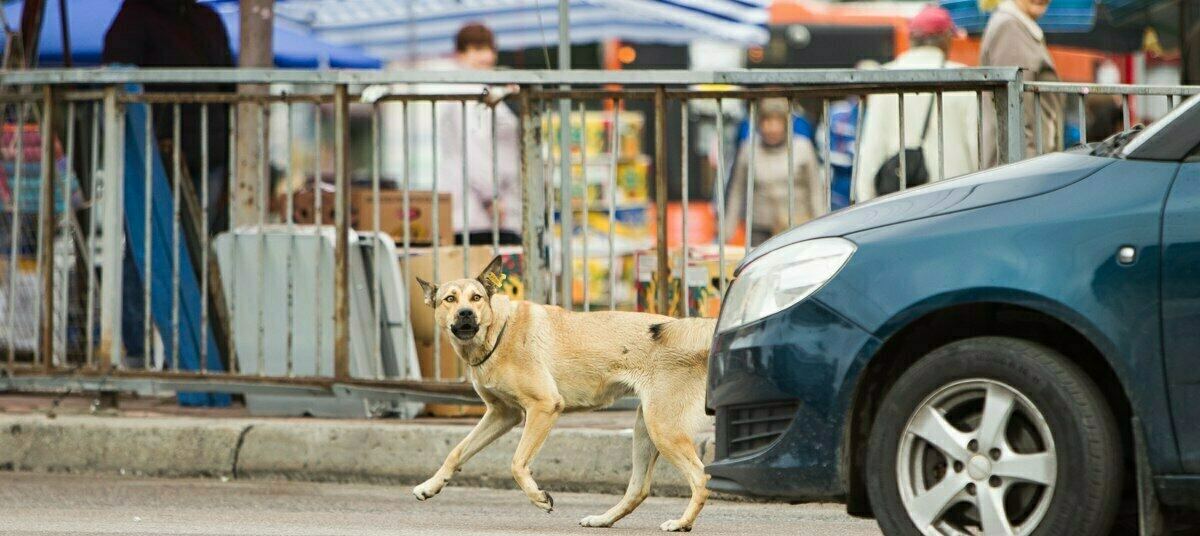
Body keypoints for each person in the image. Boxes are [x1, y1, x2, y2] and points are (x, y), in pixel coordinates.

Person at [102, 0, 234, 374]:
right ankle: (139, 350)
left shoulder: (205, 18)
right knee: (144, 249)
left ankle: (200, 352)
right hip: (156, 152)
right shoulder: (136, 15)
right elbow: (117, 78)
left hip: (208, 151)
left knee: (198, 251)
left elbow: (229, 84)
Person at [854, 6, 979, 202]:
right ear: (947, 39)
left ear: (911, 39)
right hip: (956, 198)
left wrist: (864, 198)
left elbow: (872, 146)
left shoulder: (884, 77)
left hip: (900, 200)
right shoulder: (968, 78)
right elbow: (976, 145)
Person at [437, 23, 522, 245]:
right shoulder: (466, 93)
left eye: (489, 49)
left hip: (484, 211)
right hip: (481, 213)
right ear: (460, 54)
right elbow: (474, 150)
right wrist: (490, 198)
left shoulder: (483, 90)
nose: (485, 56)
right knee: (488, 277)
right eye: (475, 49)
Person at [724, 98, 822, 247]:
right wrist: (726, 235)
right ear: (759, 123)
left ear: (786, 124)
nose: (772, 128)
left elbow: (816, 191)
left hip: (796, 228)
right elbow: (736, 192)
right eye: (767, 121)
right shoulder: (748, 149)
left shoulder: (803, 148)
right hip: (759, 229)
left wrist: (822, 230)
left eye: (777, 122)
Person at [980, 0, 1061, 165]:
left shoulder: (1017, 26)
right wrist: (1030, 170)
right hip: (1024, 166)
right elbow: (1016, 113)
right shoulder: (1010, 27)